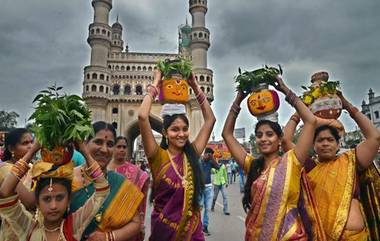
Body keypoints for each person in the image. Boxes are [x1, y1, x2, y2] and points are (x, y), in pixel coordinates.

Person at [222, 76, 326, 240]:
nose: (263, 138)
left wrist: (285, 91)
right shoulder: (253, 165)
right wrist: (239, 99)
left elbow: (310, 121)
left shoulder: (292, 161)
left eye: (269, 134)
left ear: (280, 140)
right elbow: (227, 134)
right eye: (259, 135)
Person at [282, 92, 380, 241]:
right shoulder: (309, 166)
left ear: (338, 144)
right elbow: (285, 140)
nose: (325, 143)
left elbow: (375, 137)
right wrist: (300, 109)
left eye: (330, 140)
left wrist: (346, 105)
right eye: (320, 140)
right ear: (313, 145)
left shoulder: (351, 161)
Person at [138, 69, 216, 241]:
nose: (181, 134)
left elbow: (210, 120)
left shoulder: (192, 154)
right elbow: (143, 116)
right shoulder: (157, 156)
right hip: (164, 232)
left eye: (184, 129)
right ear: (165, 132)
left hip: (191, 232)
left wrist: (195, 86)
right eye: (175, 130)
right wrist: (156, 83)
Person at [0, 139, 110, 241]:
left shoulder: (73, 227)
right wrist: (32, 151)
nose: (53, 206)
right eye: (47, 199)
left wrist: (84, 150)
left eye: (59, 198)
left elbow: (102, 190)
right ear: (37, 202)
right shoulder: (28, 228)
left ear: (68, 201)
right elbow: (5, 193)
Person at [71, 121, 144, 241]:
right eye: (98, 142)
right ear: (85, 143)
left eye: (110, 144)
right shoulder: (68, 178)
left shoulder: (120, 183)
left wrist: (108, 237)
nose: (104, 150)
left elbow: (136, 223)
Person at [107, 136, 150, 241]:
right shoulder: (104, 169)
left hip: (129, 224)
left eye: (124, 147)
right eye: (118, 147)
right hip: (105, 221)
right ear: (113, 148)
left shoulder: (135, 171)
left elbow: (141, 200)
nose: (122, 149)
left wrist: (141, 221)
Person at [0, 128, 36, 240]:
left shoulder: (32, 166)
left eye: (32, 142)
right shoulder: (5, 169)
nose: (30, 146)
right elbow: (29, 202)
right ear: (11, 148)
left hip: (34, 229)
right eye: (25, 143)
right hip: (15, 231)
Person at [199, 147, 219, 236]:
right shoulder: (199, 161)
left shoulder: (211, 162)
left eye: (211, 155)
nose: (210, 157)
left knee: (207, 208)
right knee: (199, 208)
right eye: (209, 155)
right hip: (200, 188)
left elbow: (218, 167)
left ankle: (205, 227)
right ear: (205, 154)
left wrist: (212, 158)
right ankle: (197, 227)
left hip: (208, 188)